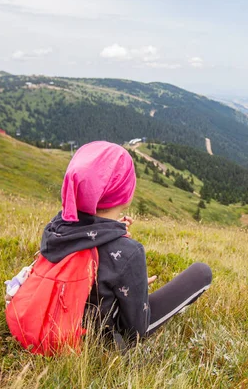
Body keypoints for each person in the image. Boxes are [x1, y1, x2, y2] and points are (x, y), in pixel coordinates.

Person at [38, 141, 212, 347]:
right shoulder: (129, 252)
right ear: (124, 192)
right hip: (98, 336)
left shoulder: (56, 227)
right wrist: (137, 291)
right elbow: (136, 329)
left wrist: (114, 231)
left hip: (59, 317)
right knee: (202, 273)